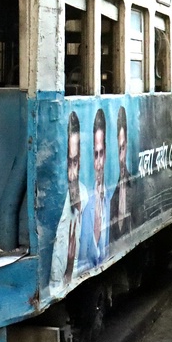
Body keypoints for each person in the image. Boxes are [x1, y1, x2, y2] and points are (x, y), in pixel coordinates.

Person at [50, 111, 88, 295]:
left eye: (76, 161)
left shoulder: (84, 195)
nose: (73, 169)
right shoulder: (57, 204)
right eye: (69, 161)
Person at [78, 108, 110, 271]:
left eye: (101, 154)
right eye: (94, 155)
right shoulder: (84, 201)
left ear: (106, 154)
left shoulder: (110, 198)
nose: (98, 163)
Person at [109, 106, 134, 242]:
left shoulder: (135, 187)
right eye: (119, 148)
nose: (121, 155)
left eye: (123, 148)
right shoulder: (112, 196)